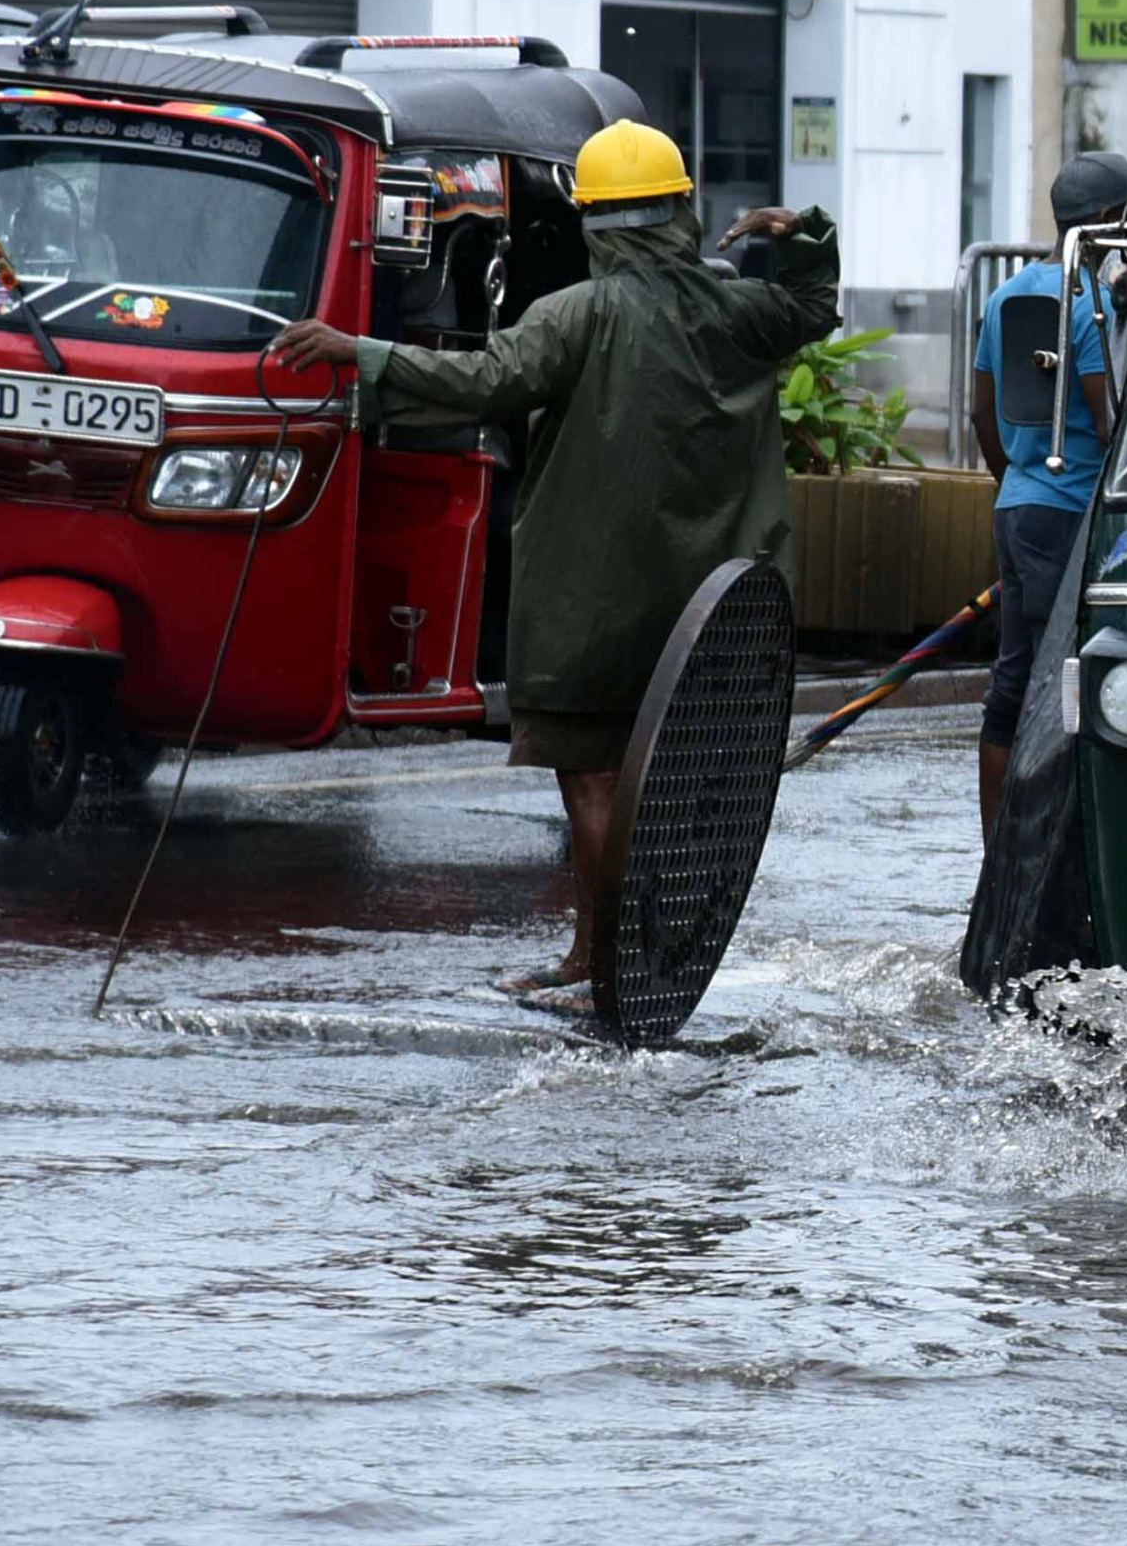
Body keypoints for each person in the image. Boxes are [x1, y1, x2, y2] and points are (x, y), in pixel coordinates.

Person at [275, 119, 837, 1005]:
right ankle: (608, 957)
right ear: (684, 209)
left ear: (592, 224)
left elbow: (486, 382)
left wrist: (363, 352)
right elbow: (812, 305)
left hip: (595, 605)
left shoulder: (578, 313)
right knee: (676, 791)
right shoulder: (741, 310)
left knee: (594, 779)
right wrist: (798, 231)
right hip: (715, 610)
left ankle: (603, 963)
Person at [971, 152, 1127, 837]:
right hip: (1069, 510)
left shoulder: (1006, 295)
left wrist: (1017, 483)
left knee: (1013, 679)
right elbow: (1109, 424)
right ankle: (1047, 841)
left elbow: (983, 415)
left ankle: (997, 849)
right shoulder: (1093, 307)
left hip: (1018, 506)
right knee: (1062, 684)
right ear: (1108, 223)